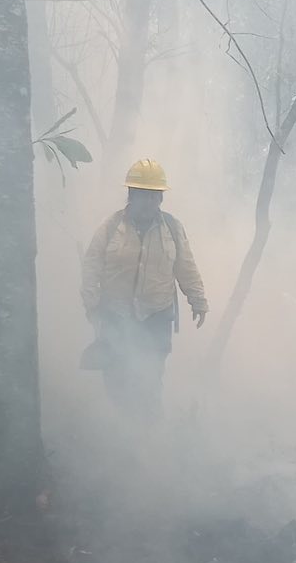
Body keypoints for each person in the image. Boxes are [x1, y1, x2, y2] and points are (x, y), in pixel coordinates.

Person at [81, 159, 207, 415]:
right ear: (131, 195)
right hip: (116, 315)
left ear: (161, 198)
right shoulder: (111, 227)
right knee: (116, 374)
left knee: (150, 376)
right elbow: (91, 264)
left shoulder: (172, 227)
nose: (149, 202)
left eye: (154, 196)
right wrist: (92, 303)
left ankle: (147, 431)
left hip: (156, 316)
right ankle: (121, 426)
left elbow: (185, 266)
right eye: (143, 195)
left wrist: (198, 299)